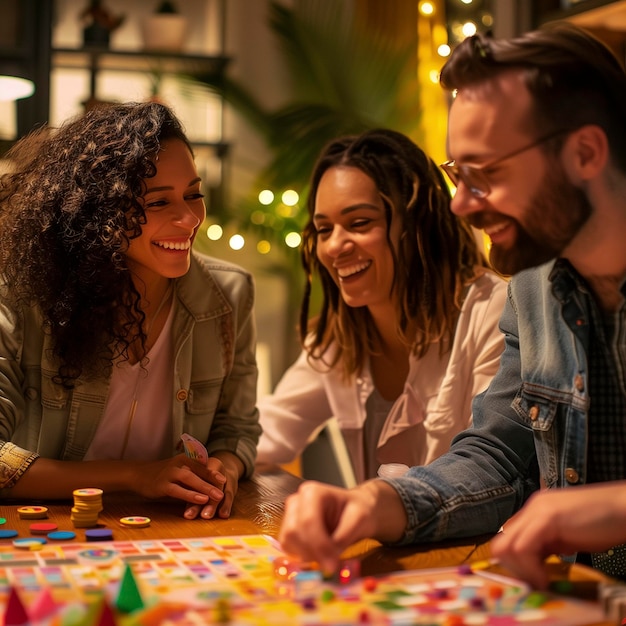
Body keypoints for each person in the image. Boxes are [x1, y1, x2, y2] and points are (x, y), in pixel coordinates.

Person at [278, 22, 626, 589]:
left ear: (584, 153)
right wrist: (379, 501)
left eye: (485, 174)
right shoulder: (533, 287)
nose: (460, 205)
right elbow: (496, 456)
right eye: (455, 175)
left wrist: (612, 510)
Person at [0, 101, 261, 520]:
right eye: (158, 203)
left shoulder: (228, 295)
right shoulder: (25, 296)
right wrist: (136, 476)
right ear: (98, 213)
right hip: (50, 531)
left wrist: (223, 469)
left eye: (194, 195)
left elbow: (238, 428)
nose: (189, 218)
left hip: (175, 534)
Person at [256, 128, 507, 483]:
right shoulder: (339, 337)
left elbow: (488, 469)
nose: (334, 246)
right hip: (382, 538)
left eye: (359, 223)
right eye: (324, 229)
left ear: (416, 225)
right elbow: (270, 430)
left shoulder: (489, 312)